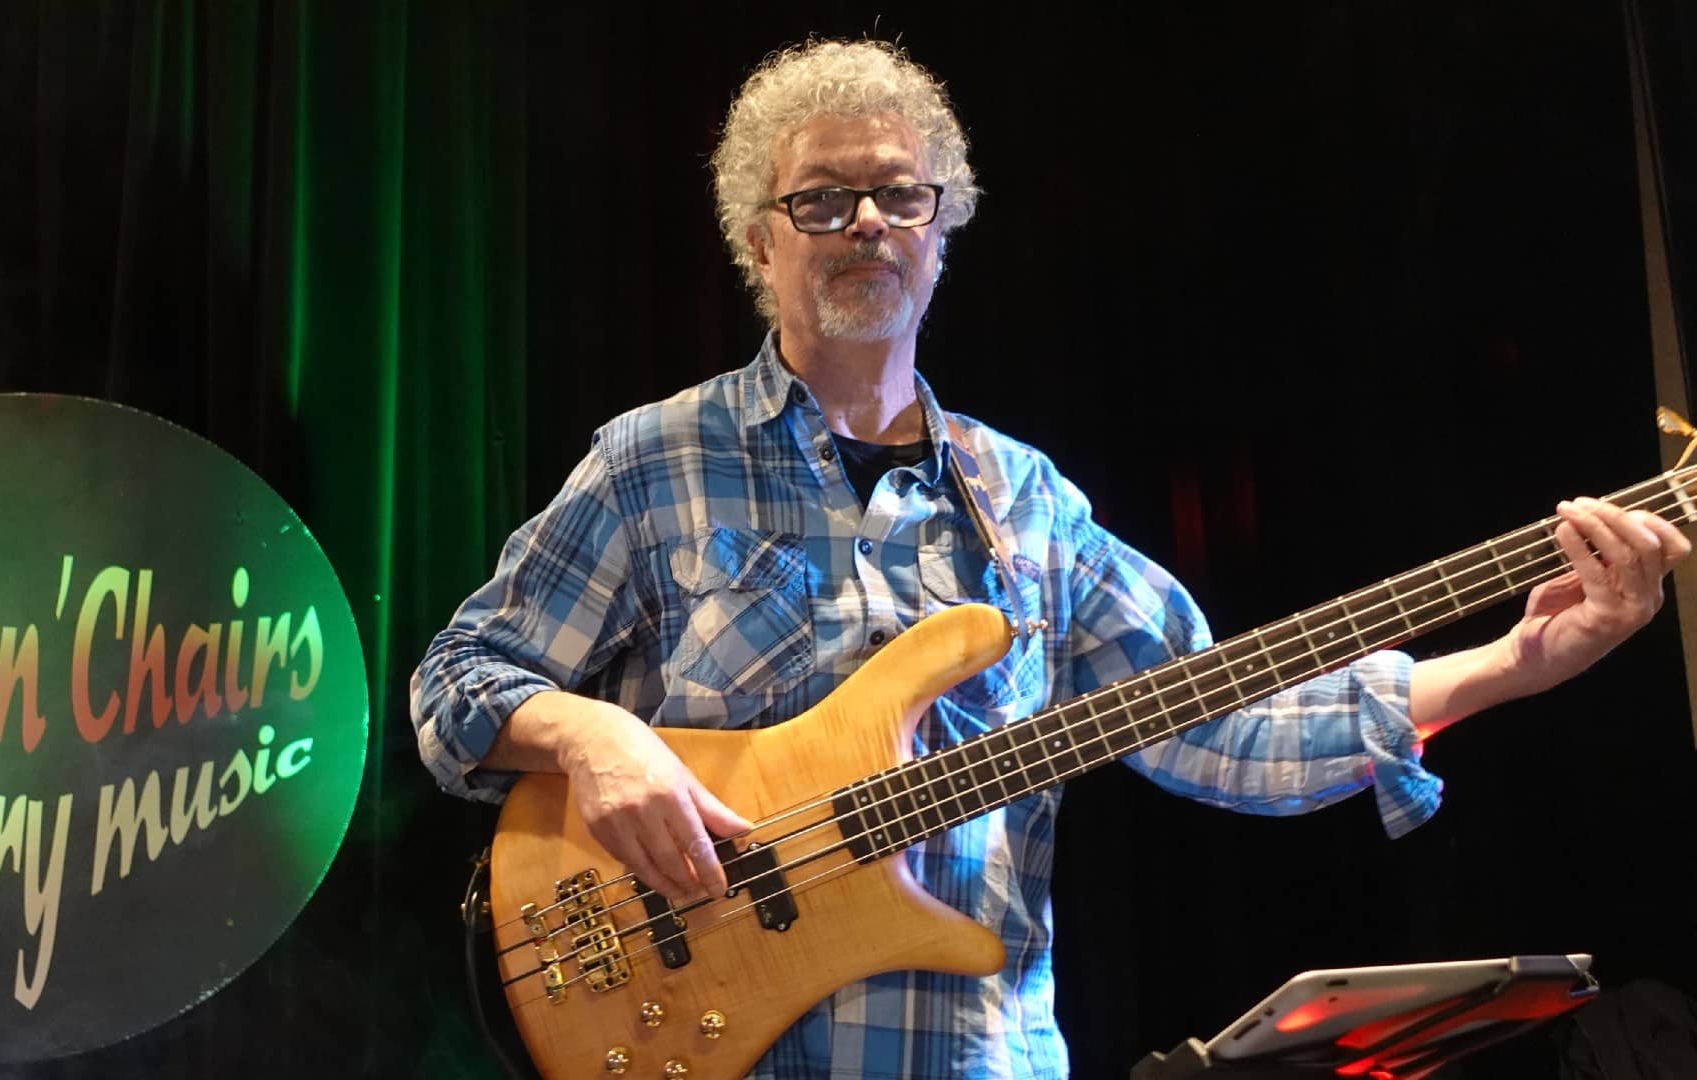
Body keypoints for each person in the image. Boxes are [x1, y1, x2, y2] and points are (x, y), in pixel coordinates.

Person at [412, 38, 1690, 1080]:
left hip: (978, 1055)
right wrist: (592, 739)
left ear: (942, 228)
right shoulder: (654, 462)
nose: (866, 224)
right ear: (762, 243)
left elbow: (1222, 723)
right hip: (706, 1038)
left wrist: (1517, 661)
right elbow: (459, 675)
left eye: (900, 196)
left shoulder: (1026, 501)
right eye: (821, 201)